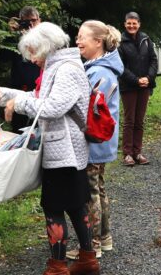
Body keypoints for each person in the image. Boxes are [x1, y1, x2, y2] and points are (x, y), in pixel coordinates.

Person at [0, 22, 99, 275]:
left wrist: (17, 102)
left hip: (64, 151)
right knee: (77, 204)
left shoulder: (65, 69)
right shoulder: (58, 66)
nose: (32, 59)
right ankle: (88, 260)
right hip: (66, 149)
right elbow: (38, 98)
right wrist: (2, 93)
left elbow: (53, 107)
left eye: (34, 52)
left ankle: (58, 267)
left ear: (47, 47)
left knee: (55, 207)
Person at [67, 20, 123, 260]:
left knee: (90, 192)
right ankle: (105, 238)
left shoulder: (98, 72)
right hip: (101, 141)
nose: (77, 41)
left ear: (97, 42)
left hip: (94, 141)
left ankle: (93, 244)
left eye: (82, 37)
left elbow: (86, 108)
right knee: (98, 189)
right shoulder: (98, 67)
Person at [117, 12, 158, 166]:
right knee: (129, 120)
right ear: (125, 24)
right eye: (129, 23)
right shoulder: (120, 42)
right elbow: (120, 66)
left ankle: (138, 152)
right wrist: (136, 80)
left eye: (134, 23)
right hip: (128, 86)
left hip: (145, 86)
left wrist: (149, 77)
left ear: (139, 24)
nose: (132, 26)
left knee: (139, 121)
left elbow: (153, 60)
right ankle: (127, 154)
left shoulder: (146, 40)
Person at [5, 6, 42, 130]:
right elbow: (3, 56)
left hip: (40, 89)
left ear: (39, 20)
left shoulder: (47, 38)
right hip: (19, 89)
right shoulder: (15, 39)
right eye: (26, 22)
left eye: (33, 21)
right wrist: (11, 34)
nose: (30, 25)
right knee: (19, 130)